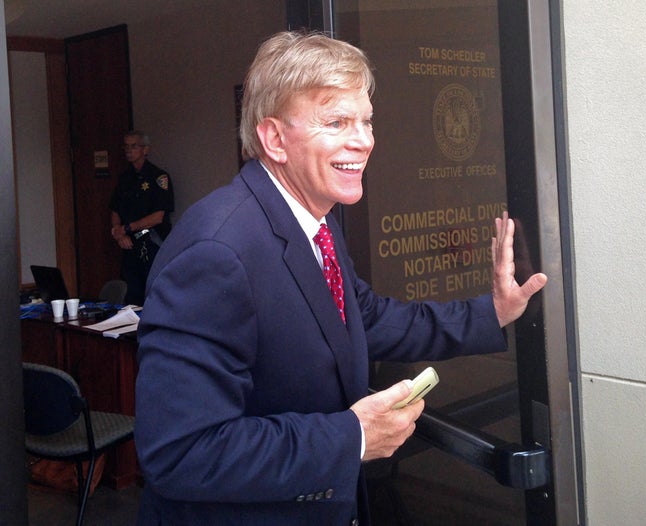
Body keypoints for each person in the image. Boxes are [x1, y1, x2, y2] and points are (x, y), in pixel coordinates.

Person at [134, 31, 547, 526]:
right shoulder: (216, 254)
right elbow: (181, 454)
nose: (364, 140)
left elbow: (362, 316)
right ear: (274, 139)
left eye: (366, 121)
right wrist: (353, 437)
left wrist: (493, 312)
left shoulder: (319, 217)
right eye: (336, 122)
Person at [110, 130, 174, 305]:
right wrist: (119, 234)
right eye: (126, 147)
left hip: (151, 243)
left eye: (134, 146)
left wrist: (128, 228)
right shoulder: (124, 178)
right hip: (128, 245)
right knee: (131, 294)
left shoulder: (158, 177)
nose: (129, 151)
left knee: (153, 292)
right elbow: (115, 209)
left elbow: (158, 216)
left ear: (145, 150)